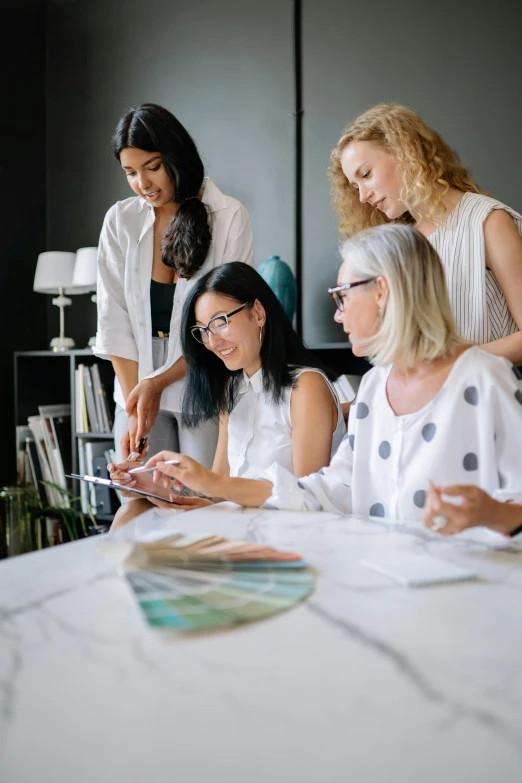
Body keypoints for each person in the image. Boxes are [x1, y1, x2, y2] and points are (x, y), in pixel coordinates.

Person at [139, 225, 522, 537]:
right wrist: (207, 483)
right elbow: (324, 490)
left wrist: (488, 513)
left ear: (382, 292)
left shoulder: (484, 378)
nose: (337, 317)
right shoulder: (373, 389)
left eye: (342, 297)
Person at [109, 262, 345, 528]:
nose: (212, 342)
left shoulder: (306, 387)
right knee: (131, 513)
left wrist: (211, 485)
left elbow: (307, 501)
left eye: (219, 322)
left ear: (257, 313)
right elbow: (216, 495)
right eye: (203, 331)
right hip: (237, 525)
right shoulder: (232, 391)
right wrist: (149, 483)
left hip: (285, 531)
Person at [95, 103, 254, 469]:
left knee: (201, 503)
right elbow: (113, 321)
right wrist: (135, 402)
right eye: (131, 172)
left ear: (176, 157)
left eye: (152, 167)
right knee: (137, 498)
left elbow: (225, 323)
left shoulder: (228, 217)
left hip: (202, 382)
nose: (143, 184)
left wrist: (158, 383)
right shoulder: (120, 221)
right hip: (136, 381)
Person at [329, 103, 522, 365]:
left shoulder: (488, 222)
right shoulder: (404, 243)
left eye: (366, 174)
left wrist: (446, 364)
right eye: (355, 187)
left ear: (403, 151)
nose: (363, 196)